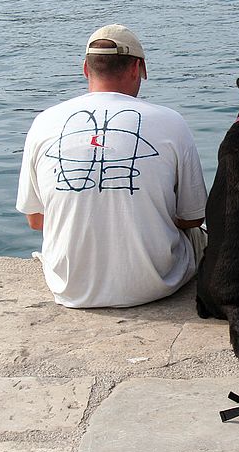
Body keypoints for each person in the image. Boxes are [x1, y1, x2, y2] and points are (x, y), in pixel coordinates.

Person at [16, 24, 208, 308]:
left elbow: (36, 220)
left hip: (70, 288)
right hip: (156, 284)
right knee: (202, 234)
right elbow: (192, 217)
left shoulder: (44, 121)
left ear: (85, 69)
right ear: (137, 69)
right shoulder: (171, 122)